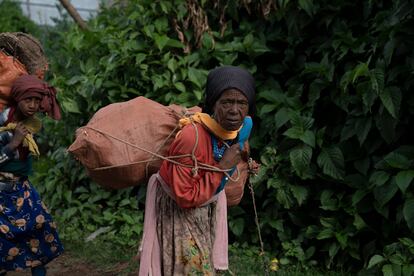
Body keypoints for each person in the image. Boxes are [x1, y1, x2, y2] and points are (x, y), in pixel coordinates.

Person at [139, 65, 258, 275]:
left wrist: (245, 160)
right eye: (227, 102)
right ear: (212, 104)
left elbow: (240, 146)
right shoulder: (191, 138)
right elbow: (184, 196)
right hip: (179, 208)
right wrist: (223, 167)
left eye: (242, 103)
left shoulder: (244, 126)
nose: (234, 110)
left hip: (205, 205)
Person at [0, 75, 63, 276]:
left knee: (40, 230)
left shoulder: (31, 124)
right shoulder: (3, 121)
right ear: (18, 99)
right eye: (29, 100)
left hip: (22, 189)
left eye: (37, 100)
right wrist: (13, 143)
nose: (33, 105)